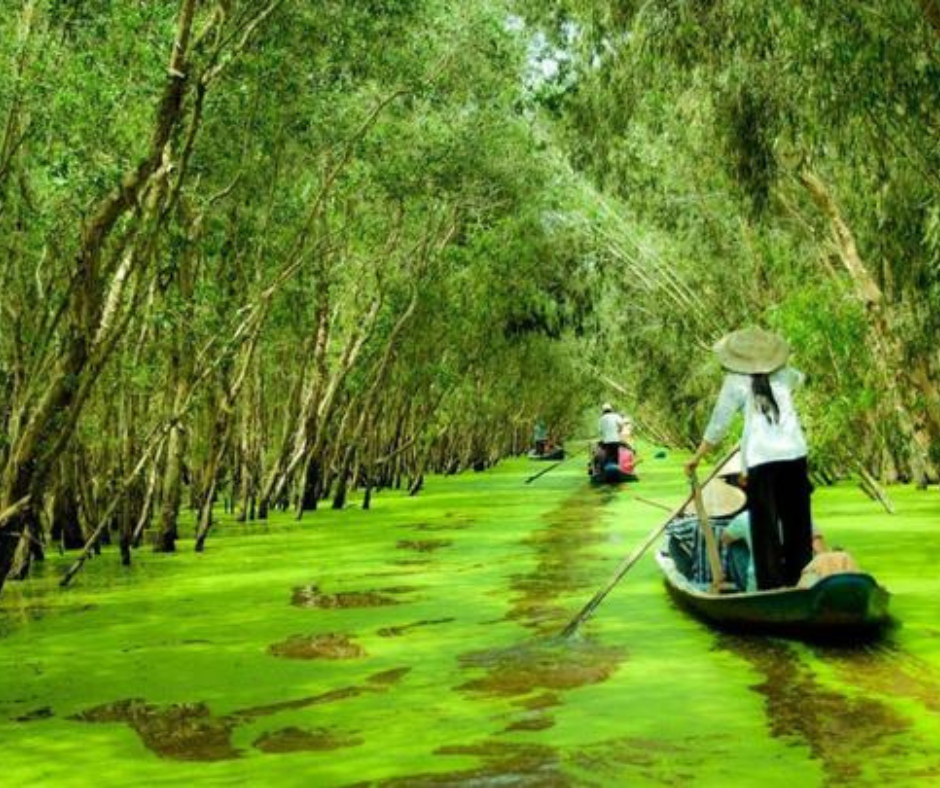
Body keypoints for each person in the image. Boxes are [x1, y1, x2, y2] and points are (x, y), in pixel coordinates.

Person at [684, 327, 812, 590]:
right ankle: (800, 581)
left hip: (762, 460)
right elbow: (802, 379)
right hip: (795, 454)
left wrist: (697, 457)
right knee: (798, 524)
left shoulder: (735, 381)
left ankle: (772, 588)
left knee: (764, 529)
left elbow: (719, 423)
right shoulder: (784, 375)